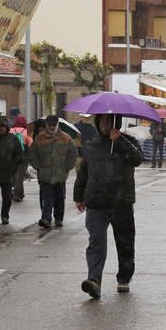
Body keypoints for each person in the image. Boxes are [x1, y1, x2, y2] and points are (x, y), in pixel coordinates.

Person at [74, 114, 142, 299]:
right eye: (102, 120)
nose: (105, 123)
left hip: (121, 202)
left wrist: (119, 140)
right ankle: (94, 281)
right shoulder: (91, 144)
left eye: (109, 120)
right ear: (97, 122)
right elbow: (83, 173)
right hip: (97, 202)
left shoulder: (129, 141)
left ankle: (124, 278)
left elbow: (137, 158)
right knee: (96, 242)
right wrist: (78, 196)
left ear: (116, 122)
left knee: (125, 243)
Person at [31, 115, 77, 228]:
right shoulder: (39, 139)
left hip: (60, 175)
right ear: (46, 125)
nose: (52, 127)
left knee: (60, 198)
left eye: (54, 125)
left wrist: (67, 167)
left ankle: (59, 218)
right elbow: (32, 155)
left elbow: (73, 154)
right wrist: (38, 167)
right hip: (45, 175)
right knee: (47, 198)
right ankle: (46, 218)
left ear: (57, 125)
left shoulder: (66, 138)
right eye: (50, 125)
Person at [9, 116, 32, 202]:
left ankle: (20, 193)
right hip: (23, 157)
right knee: (20, 176)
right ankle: (16, 195)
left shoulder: (10, 131)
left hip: (11, 157)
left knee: (14, 175)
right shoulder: (26, 132)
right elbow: (30, 144)